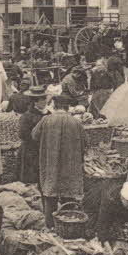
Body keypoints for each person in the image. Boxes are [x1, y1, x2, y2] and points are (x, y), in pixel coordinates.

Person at [32, 95, 85, 229]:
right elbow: (85, 142)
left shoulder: (46, 120)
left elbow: (34, 135)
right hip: (70, 164)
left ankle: (50, 226)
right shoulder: (76, 122)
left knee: (50, 195)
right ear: (67, 107)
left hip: (51, 163)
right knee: (69, 194)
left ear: (55, 106)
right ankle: (70, 225)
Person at [86, 177, 128, 243]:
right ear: (122, 198)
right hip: (95, 198)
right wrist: (103, 240)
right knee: (93, 224)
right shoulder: (110, 199)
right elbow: (103, 222)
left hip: (112, 187)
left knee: (125, 216)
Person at [16, 87, 47, 186]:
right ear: (35, 102)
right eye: (43, 99)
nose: (45, 101)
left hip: (44, 149)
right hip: (30, 150)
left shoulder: (48, 114)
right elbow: (22, 134)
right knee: (31, 178)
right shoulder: (27, 116)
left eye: (45, 98)